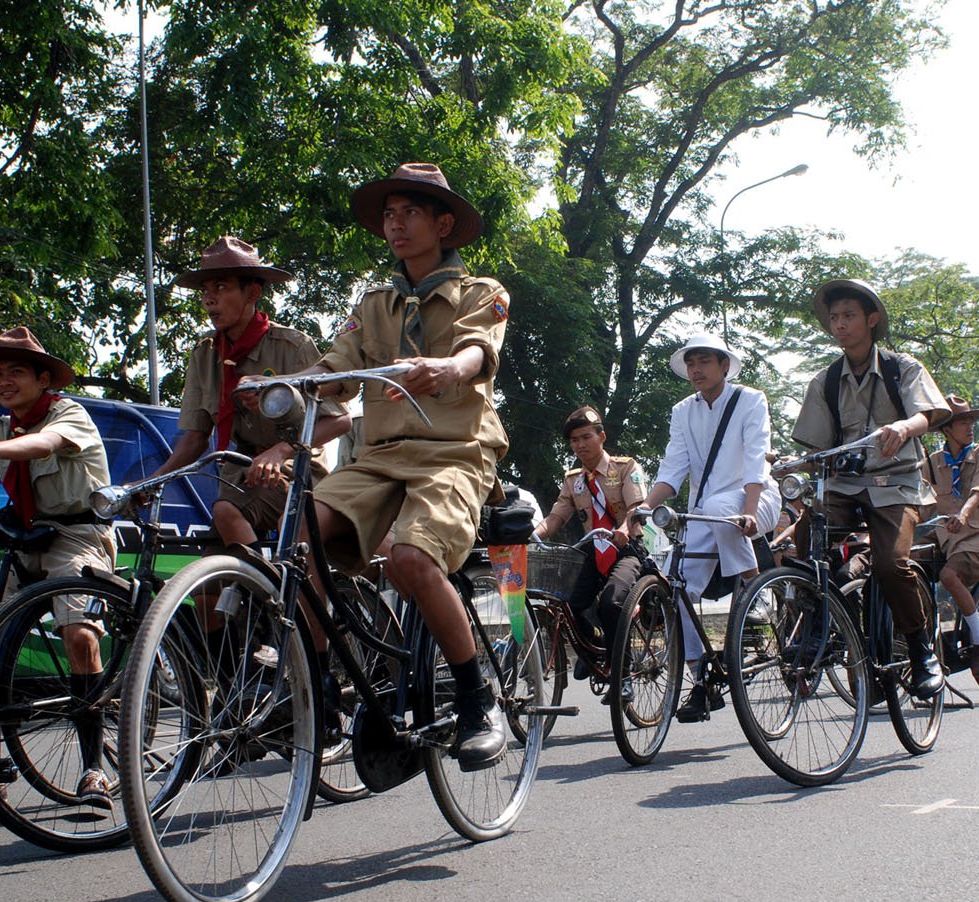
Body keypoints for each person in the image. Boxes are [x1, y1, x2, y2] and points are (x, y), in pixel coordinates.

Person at [240, 163, 510, 768]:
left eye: (409, 212)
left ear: (444, 224)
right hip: (381, 455)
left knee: (413, 559)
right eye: (389, 214)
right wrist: (284, 384)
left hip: (455, 451)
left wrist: (450, 368)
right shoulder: (374, 305)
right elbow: (334, 372)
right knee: (300, 543)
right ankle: (314, 692)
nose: (395, 224)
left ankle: (476, 697)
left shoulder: (481, 293)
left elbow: (476, 350)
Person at [0, 329, 116, 813]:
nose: (3, 381)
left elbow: (44, 444)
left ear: (42, 378)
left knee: (79, 637)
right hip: (26, 542)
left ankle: (95, 772)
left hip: (78, 536)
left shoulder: (68, 414)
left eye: (15, 372)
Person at [790, 278, 950, 699]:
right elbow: (819, 449)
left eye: (848, 316)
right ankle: (819, 625)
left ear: (871, 320)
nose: (838, 324)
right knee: (809, 533)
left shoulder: (903, 367)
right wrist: (780, 464)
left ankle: (920, 650)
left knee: (890, 564)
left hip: (896, 483)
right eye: (834, 318)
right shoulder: (824, 381)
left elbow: (929, 413)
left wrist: (904, 425)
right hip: (845, 483)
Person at [149, 237, 350, 546]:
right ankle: (255, 583)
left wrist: (280, 451)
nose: (208, 300)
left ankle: (270, 595)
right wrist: (150, 482)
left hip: (294, 479)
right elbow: (194, 438)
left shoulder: (292, 347)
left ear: (252, 293)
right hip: (238, 482)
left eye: (220, 287)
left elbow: (340, 421)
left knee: (228, 513)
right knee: (207, 593)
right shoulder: (204, 354)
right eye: (205, 291)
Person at [640, 333, 781, 722]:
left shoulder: (750, 400)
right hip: (706, 512)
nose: (696, 369)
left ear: (724, 366)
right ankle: (701, 681)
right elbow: (672, 468)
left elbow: (756, 461)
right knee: (677, 585)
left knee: (722, 507)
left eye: (704, 361)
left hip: (757, 501)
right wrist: (643, 507)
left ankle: (757, 593)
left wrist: (749, 511)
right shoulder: (683, 410)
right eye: (691, 363)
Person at [532, 406, 646, 693]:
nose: (580, 445)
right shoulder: (574, 480)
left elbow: (636, 507)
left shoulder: (625, 467)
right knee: (565, 600)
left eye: (585, 437)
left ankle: (624, 673)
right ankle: (594, 649)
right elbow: (557, 517)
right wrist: (534, 534)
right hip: (592, 550)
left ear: (601, 436)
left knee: (612, 602)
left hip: (626, 549)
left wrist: (623, 529)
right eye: (574, 440)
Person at [924, 395, 979, 676]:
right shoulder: (932, 463)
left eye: (971, 422)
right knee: (903, 568)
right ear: (946, 429)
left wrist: (964, 515)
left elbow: (978, 492)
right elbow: (921, 502)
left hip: (978, 536)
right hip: (946, 537)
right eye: (962, 423)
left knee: (949, 576)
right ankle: (926, 645)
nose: (970, 428)